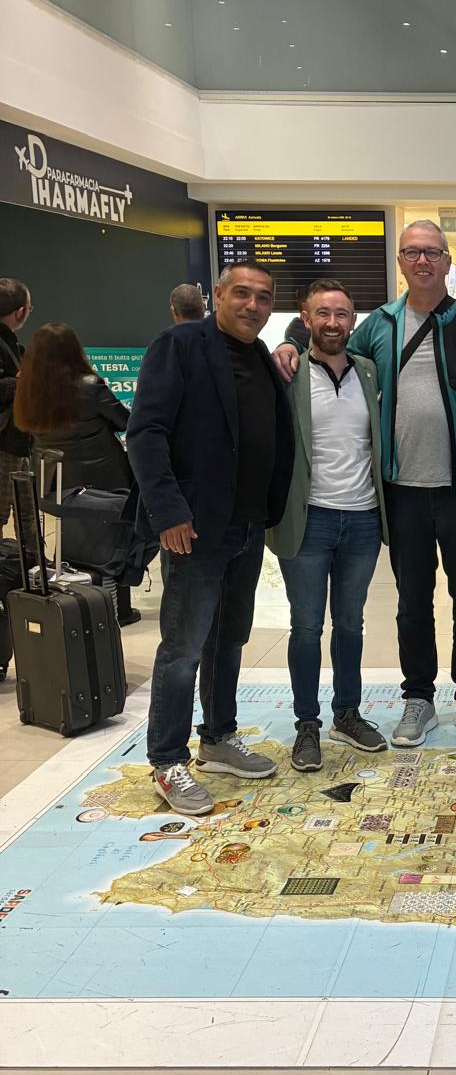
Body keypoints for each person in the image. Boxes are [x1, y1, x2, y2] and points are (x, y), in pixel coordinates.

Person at [274, 220, 456, 748]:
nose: (422, 261)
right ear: (401, 262)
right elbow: (331, 347)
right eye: (412, 252)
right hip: (401, 492)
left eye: (432, 252)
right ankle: (418, 698)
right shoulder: (380, 326)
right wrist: (289, 347)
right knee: (412, 602)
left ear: (447, 261)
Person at [127, 264, 295, 816]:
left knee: (229, 640)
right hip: (194, 528)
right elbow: (146, 432)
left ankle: (219, 737)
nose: (253, 305)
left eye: (263, 297)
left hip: (246, 525)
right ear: (217, 295)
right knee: (183, 648)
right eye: (241, 293)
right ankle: (166, 759)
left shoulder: (262, 357)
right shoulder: (180, 346)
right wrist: (169, 511)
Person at [266, 278, 389, 773]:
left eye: (341, 314)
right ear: (306, 317)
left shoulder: (369, 371)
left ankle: (347, 713)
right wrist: (284, 349)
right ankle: (307, 724)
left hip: (362, 518)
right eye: (323, 313)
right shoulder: (289, 373)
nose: (333, 323)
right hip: (308, 519)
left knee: (351, 623)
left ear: (353, 320)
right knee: (306, 626)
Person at [12, 322, 141, 625]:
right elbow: (125, 421)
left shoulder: (28, 389)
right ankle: (118, 608)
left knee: (74, 540)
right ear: (74, 351)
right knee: (116, 539)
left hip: (54, 481)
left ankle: (78, 603)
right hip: (106, 479)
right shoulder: (90, 385)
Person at [0, 278, 33, 536]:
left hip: (17, 440)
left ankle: (31, 560)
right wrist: (23, 380)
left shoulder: (13, 345)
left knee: (28, 514)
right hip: (5, 443)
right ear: (20, 311)